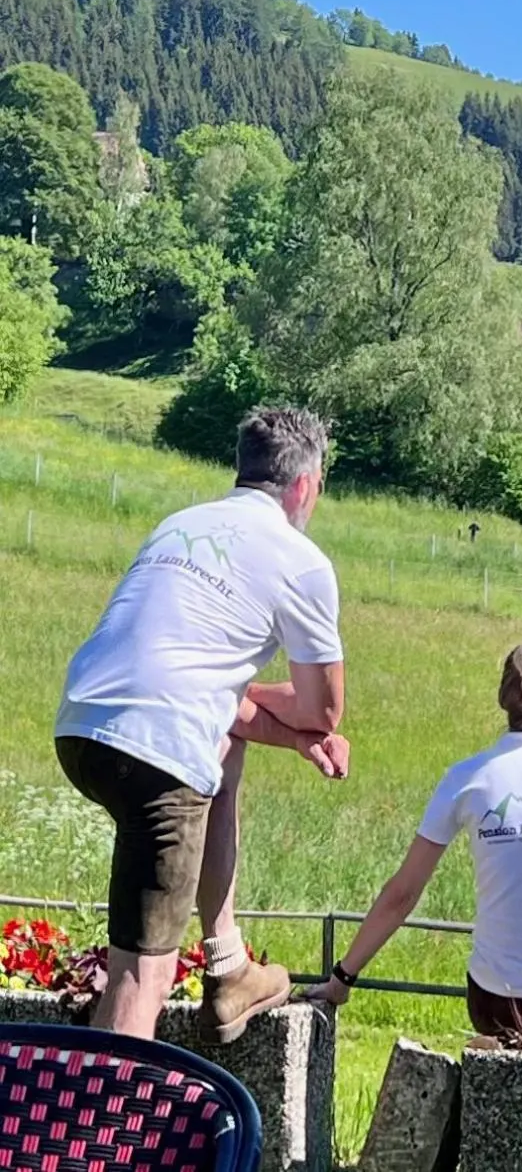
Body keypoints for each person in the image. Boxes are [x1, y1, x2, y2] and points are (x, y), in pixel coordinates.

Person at [54, 406, 348, 1044]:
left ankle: (229, 963)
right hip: (157, 752)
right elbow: (323, 709)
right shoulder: (300, 560)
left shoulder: (180, 525)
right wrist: (305, 729)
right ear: (304, 485)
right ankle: (96, 1139)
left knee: (225, 741)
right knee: (143, 982)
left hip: (81, 727)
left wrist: (282, 729)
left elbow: (218, 700)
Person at [305, 640, 522, 1042]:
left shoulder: (466, 778)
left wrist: (342, 977)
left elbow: (403, 892)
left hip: (497, 999)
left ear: (503, 700)